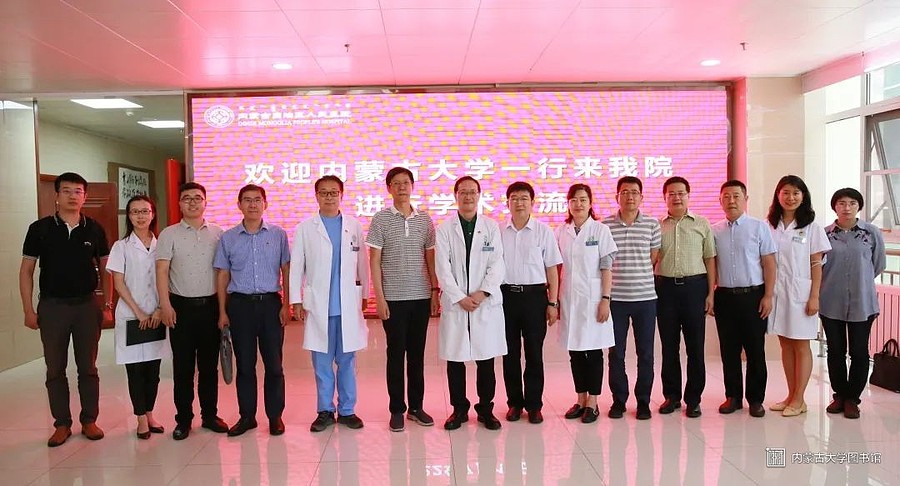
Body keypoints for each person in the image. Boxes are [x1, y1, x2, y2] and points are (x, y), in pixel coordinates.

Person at [20, 172, 110, 447]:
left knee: (88, 367)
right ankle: (61, 423)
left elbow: (106, 268)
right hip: (52, 307)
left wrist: (107, 304)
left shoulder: (94, 229)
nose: (73, 196)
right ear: (56, 195)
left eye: (78, 191)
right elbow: (26, 271)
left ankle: (89, 420)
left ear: (85, 196)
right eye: (67, 191)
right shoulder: (40, 229)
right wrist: (28, 310)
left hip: (86, 306)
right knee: (55, 368)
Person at [290, 176, 369, 432]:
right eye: (324, 193)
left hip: (347, 306)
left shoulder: (353, 226)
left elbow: (363, 264)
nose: (329, 197)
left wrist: (365, 295)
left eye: (334, 192)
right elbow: (297, 266)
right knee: (322, 364)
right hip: (319, 306)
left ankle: (347, 410)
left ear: (341, 195)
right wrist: (296, 300)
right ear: (316, 196)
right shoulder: (306, 228)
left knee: (347, 361)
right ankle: (325, 410)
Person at [366, 167, 440, 432]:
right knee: (395, 355)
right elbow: (374, 261)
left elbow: (430, 258)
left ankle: (416, 408)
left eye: (406, 183)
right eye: (396, 183)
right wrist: (379, 298)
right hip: (394, 299)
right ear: (389, 188)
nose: (401, 188)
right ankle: (397, 409)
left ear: (412, 186)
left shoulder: (424, 220)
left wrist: (434, 291)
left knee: (417, 356)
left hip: (420, 297)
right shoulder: (381, 219)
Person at [214, 184, 290, 437]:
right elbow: (223, 275)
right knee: (245, 365)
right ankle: (247, 416)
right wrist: (223, 312)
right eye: (247, 200)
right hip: (240, 306)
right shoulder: (228, 238)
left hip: (270, 305)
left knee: (274, 365)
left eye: (257, 200)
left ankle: (275, 416)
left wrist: (287, 304)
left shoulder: (278, 235)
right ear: (239, 205)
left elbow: (286, 270)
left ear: (265, 204)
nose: (253, 204)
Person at [156, 182, 229, 440]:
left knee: (209, 367)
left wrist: (224, 310)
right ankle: (184, 420)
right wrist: (165, 305)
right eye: (187, 198)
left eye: (198, 198)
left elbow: (223, 273)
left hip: (210, 308)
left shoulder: (218, 233)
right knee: (183, 368)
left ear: (205, 202)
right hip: (181, 309)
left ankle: (209, 415)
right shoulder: (169, 234)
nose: (193, 202)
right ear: (179, 203)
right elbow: (162, 271)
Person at [435, 176, 506, 430]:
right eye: (463, 192)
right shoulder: (445, 229)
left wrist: (481, 293)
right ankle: (459, 409)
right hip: (457, 304)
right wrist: (459, 297)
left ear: (479, 195)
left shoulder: (491, 227)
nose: (468, 196)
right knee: (455, 359)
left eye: (472, 192)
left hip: (483, 302)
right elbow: (442, 268)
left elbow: (497, 264)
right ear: (456, 196)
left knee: (485, 359)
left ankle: (486, 409)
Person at [710, 180, 776, 418]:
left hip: (753, 296)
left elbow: (769, 263)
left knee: (755, 350)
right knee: (729, 350)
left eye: (736, 196)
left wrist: (768, 295)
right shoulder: (714, 230)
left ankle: (756, 399)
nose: (731, 201)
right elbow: (711, 264)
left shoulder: (759, 228)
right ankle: (733, 397)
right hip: (725, 297)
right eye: (726, 196)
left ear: (745, 199)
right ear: (720, 201)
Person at [106, 195, 170, 439]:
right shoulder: (121, 246)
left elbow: (168, 278)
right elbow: (118, 283)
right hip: (131, 315)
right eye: (135, 212)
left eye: (145, 211)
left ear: (153, 214)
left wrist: (159, 309)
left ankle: (150, 414)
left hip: (156, 314)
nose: (140, 216)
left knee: (153, 370)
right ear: (129, 216)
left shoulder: (162, 244)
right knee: (135, 370)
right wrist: (138, 311)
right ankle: (140, 418)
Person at [766, 175, 831, 417]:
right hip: (778, 293)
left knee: (801, 344)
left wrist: (815, 296)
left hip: (801, 293)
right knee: (785, 343)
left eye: (796, 193)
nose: (790, 197)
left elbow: (816, 264)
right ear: (778, 195)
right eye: (785, 192)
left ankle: (799, 398)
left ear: (803, 196)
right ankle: (790, 395)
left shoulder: (812, 226)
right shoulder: (770, 225)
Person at [500, 181, 562, 425]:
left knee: (534, 353)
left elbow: (552, 270)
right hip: (506, 297)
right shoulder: (498, 231)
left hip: (535, 297)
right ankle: (514, 403)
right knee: (510, 354)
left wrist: (553, 303)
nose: (519, 202)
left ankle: (534, 405)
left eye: (524, 198)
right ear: (507, 203)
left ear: (532, 202)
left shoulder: (543, 231)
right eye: (514, 198)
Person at [820, 188, 885, 419]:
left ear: (859, 206)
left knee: (858, 351)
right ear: (834, 207)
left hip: (862, 302)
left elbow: (878, 264)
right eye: (841, 203)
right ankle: (839, 395)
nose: (846, 207)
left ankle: (852, 399)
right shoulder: (825, 234)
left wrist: (860, 281)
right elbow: (818, 266)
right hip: (831, 301)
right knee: (835, 351)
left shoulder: (871, 233)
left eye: (852, 203)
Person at [655, 176, 716, 418]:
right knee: (669, 347)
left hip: (694, 288)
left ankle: (693, 399)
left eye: (681, 193)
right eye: (671, 193)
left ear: (688, 196)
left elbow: (710, 259)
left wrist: (711, 293)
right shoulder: (657, 226)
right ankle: (671, 396)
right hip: (665, 290)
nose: (676, 197)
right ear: (665, 198)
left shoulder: (702, 223)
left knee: (695, 347)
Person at [557, 183, 618, 424]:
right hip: (569, 299)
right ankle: (580, 399)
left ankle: (593, 402)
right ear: (568, 204)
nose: (578, 204)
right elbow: (556, 266)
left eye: (583, 199)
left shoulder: (600, 230)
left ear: (590, 203)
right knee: (575, 352)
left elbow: (606, 268)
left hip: (594, 300)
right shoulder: (561, 232)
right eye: (573, 200)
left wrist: (605, 299)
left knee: (593, 352)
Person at [602, 176, 660, 420]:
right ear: (617, 196)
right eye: (625, 192)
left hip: (645, 299)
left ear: (641, 197)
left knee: (645, 353)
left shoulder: (652, 224)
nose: (630, 196)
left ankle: (644, 401)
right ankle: (619, 400)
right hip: (615, 300)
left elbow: (653, 257)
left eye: (634, 192)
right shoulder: (605, 225)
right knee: (616, 353)